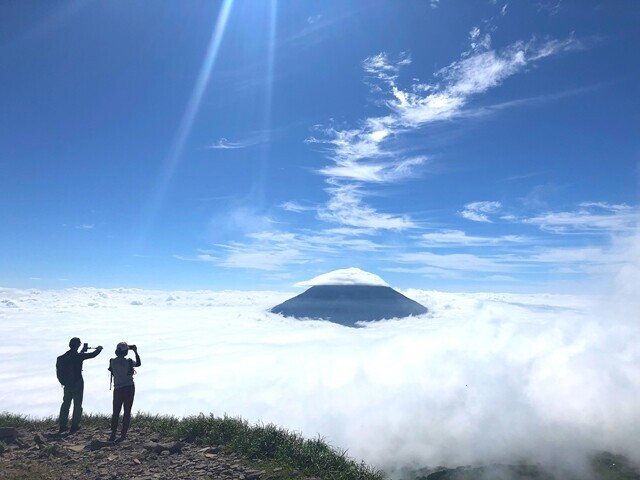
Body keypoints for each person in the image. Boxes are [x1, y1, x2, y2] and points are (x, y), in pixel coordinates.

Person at [57, 337, 103, 433]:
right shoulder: (78, 356)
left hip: (66, 384)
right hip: (77, 382)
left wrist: (63, 381)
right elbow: (93, 355)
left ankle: (62, 425)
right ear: (78, 345)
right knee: (77, 405)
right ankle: (74, 426)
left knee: (65, 404)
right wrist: (99, 349)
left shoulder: (62, 357)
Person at [109, 342, 141, 442]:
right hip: (129, 388)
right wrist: (135, 351)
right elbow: (139, 363)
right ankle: (123, 434)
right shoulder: (129, 361)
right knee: (127, 411)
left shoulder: (112, 361)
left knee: (116, 411)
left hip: (117, 389)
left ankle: (113, 433)